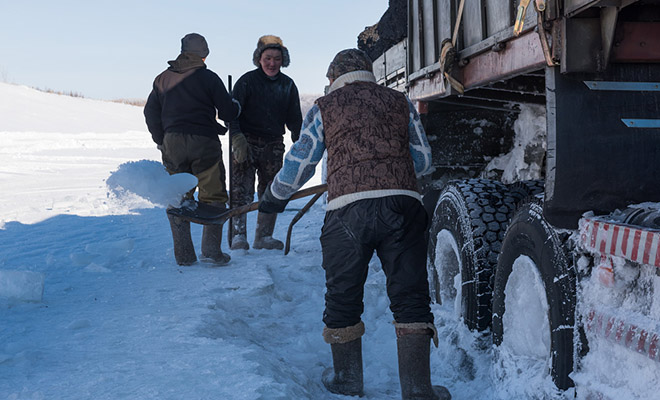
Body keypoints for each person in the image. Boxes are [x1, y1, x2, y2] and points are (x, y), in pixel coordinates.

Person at [258, 49, 451, 400]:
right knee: (410, 296)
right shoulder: (399, 101)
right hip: (402, 205)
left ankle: (347, 380)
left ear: (334, 78)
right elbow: (423, 161)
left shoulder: (324, 106)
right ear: (368, 73)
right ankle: (419, 389)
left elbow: (301, 160)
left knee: (343, 295)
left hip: (347, 210)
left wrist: (275, 196)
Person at [144, 33, 240, 266]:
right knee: (213, 193)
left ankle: (184, 255)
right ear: (204, 55)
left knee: (177, 196)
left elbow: (150, 113)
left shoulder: (161, 79)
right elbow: (227, 112)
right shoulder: (208, 77)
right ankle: (211, 250)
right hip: (204, 141)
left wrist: (161, 140)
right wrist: (234, 107)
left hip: (172, 142)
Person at [228, 35, 302, 251]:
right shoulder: (246, 81)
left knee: (271, 190)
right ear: (259, 58)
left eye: (277, 59)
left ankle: (264, 236)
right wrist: (237, 137)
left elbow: (295, 119)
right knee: (241, 189)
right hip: (246, 143)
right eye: (268, 58)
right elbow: (232, 114)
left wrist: (299, 143)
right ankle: (238, 236)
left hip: (274, 145)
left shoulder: (288, 85)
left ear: (283, 60)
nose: (272, 63)